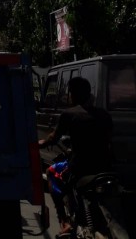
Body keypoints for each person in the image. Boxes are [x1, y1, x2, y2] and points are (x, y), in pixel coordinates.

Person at [39, 76, 114, 237]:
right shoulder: (104, 114)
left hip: (80, 167)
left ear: (73, 94)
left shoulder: (69, 114)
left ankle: (64, 220)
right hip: (106, 168)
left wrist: (40, 143)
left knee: (51, 172)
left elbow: (53, 138)